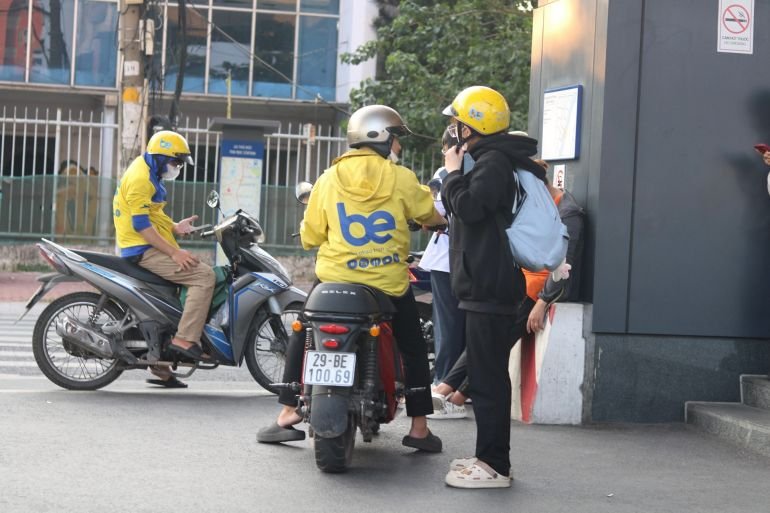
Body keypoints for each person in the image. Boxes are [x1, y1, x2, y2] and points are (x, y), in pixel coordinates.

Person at [257, 105, 446, 452]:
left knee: (303, 329)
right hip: (387, 285)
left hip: (334, 281)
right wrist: (438, 222)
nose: (398, 146)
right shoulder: (401, 178)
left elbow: (311, 235)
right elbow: (427, 213)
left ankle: (287, 411)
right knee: (413, 345)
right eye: (396, 138)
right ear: (382, 137)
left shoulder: (328, 179)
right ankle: (419, 427)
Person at [439, 86, 545, 489]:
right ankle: (489, 458)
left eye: (457, 123)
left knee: (488, 381)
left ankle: (494, 465)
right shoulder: (492, 160)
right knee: (487, 377)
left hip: (489, 284)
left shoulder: (494, 162)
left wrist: (452, 173)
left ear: (470, 128)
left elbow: (469, 208)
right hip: (485, 284)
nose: (452, 130)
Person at [432, 158, 585, 416]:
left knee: (491, 340)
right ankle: (454, 396)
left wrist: (542, 301)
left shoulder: (568, 213)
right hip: (521, 283)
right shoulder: (538, 206)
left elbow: (564, 265)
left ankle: (447, 390)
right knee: (490, 340)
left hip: (537, 290)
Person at [113, 130, 215, 388]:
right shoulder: (141, 179)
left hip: (145, 245)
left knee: (179, 286)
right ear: (160, 157)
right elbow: (141, 226)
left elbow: (152, 215)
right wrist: (174, 252)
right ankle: (184, 340)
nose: (178, 167)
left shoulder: (150, 173)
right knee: (204, 276)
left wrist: (174, 227)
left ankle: (160, 364)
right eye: (176, 161)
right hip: (141, 248)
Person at [418, 129, 466, 399]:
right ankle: (461, 384)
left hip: (445, 258)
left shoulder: (444, 174)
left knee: (447, 324)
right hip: (474, 259)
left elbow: (430, 216)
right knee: (468, 324)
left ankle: (444, 380)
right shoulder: (484, 169)